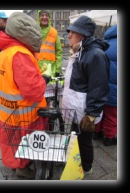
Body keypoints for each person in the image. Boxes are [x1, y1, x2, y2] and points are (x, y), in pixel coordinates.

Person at [0, 12, 51, 179]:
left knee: (12, 143)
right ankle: (22, 168)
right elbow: (33, 90)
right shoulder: (21, 54)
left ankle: (16, 165)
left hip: (9, 111)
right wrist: (45, 78)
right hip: (24, 114)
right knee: (23, 144)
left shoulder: (7, 51)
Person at [62, 15, 110, 176]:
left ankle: (87, 167)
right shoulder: (79, 51)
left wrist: (91, 114)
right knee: (76, 136)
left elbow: (99, 87)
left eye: (72, 32)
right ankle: (75, 160)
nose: (68, 35)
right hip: (77, 107)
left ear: (82, 35)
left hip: (84, 110)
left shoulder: (95, 55)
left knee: (84, 141)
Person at [93, 24, 117, 146]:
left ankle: (96, 132)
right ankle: (109, 137)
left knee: (100, 110)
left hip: (101, 85)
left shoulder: (104, 44)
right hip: (115, 87)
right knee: (112, 114)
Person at [36, 10, 63, 79]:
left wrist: (58, 69)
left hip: (51, 69)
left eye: (46, 15)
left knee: (50, 89)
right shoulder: (34, 31)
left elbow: (59, 52)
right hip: (36, 68)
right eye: (42, 15)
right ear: (39, 17)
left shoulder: (54, 32)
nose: (44, 17)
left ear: (49, 18)